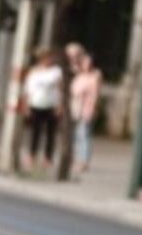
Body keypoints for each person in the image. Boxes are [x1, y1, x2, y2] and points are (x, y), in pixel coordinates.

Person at [21, 46, 64, 171]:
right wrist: (26, 104)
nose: (47, 60)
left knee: (51, 133)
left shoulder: (56, 71)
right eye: (45, 58)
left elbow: (60, 89)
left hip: (51, 104)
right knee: (35, 132)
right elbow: (28, 89)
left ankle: (48, 158)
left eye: (49, 57)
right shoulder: (34, 72)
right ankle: (32, 155)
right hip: (36, 104)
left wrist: (60, 105)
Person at [67, 43, 103, 175]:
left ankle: (84, 160)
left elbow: (95, 95)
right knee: (76, 135)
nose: (84, 63)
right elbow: (72, 62)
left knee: (84, 134)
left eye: (87, 61)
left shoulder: (95, 76)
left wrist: (92, 109)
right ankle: (76, 158)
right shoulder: (80, 75)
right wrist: (77, 55)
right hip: (75, 107)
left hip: (86, 107)